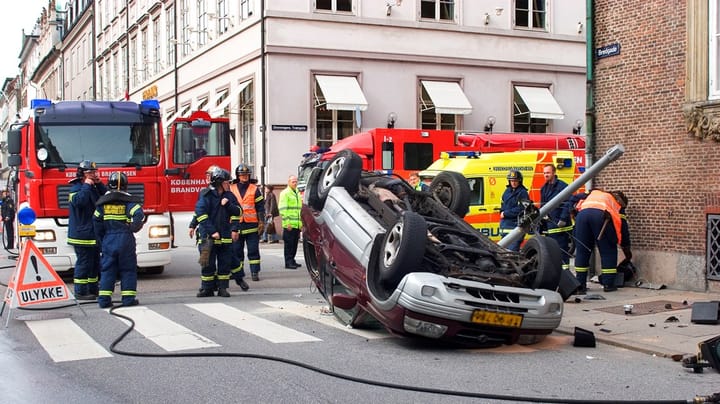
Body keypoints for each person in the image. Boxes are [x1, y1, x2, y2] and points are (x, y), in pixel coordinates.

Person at [93, 172, 145, 308]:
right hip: (125, 238)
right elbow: (139, 215)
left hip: (109, 239)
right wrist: (133, 227)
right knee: (128, 269)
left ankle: (104, 300)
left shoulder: (103, 203)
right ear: (126, 186)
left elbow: (96, 221)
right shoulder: (129, 202)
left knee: (107, 269)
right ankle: (128, 299)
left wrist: (102, 238)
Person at [573, 189, 631, 293]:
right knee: (608, 250)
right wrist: (626, 249)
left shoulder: (595, 194)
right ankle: (608, 284)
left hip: (581, 216)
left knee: (582, 251)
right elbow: (624, 230)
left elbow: (573, 198)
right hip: (601, 217)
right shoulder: (618, 204)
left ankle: (580, 286)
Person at [195, 168, 241, 298]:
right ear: (220, 182)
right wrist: (212, 231)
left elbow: (239, 212)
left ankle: (222, 288)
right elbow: (200, 214)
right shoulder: (206, 195)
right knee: (206, 263)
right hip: (207, 237)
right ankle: (206, 289)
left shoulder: (230, 196)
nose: (229, 184)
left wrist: (228, 206)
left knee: (224, 264)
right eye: (227, 182)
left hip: (225, 237)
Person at [68, 160, 107, 300]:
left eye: (94, 172)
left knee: (94, 263)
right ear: (82, 174)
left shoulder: (94, 187)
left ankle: (93, 289)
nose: (93, 175)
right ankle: (80, 291)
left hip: (93, 234)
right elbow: (80, 202)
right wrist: (86, 185)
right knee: (84, 263)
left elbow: (107, 197)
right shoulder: (76, 188)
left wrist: (99, 183)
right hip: (81, 235)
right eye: (90, 173)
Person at [229, 163, 264, 284]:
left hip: (251, 225)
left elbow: (260, 207)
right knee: (236, 251)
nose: (244, 177)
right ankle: (238, 273)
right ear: (238, 176)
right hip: (236, 225)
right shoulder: (231, 188)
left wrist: (261, 222)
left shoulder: (254, 189)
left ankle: (255, 272)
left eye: (246, 175)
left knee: (253, 250)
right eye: (242, 175)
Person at [539, 164, 572, 270]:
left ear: (554, 173)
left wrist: (563, 219)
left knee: (562, 252)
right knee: (551, 252)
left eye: (548, 173)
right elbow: (543, 204)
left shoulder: (562, 186)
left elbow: (567, 203)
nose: (545, 175)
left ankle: (566, 276)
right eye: (544, 173)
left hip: (561, 226)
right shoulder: (544, 188)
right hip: (549, 225)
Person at [499, 169, 530, 252]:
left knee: (512, 253)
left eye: (515, 180)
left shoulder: (523, 193)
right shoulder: (506, 192)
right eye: (512, 180)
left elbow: (522, 209)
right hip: (505, 228)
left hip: (516, 227)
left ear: (519, 181)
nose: (513, 182)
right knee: (503, 253)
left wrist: (505, 213)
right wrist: (501, 212)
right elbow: (502, 205)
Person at [279, 175, 302, 269]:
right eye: (293, 181)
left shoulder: (297, 192)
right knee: (289, 245)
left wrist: (300, 224)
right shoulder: (285, 193)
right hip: (289, 224)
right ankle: (288, 262)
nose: (295, 183)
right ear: (288, 182)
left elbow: (299, 210)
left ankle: (292, 260)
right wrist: (287, 222)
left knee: (294, 244)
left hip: (296, 224)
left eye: (296, 181)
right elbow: (283, 209)